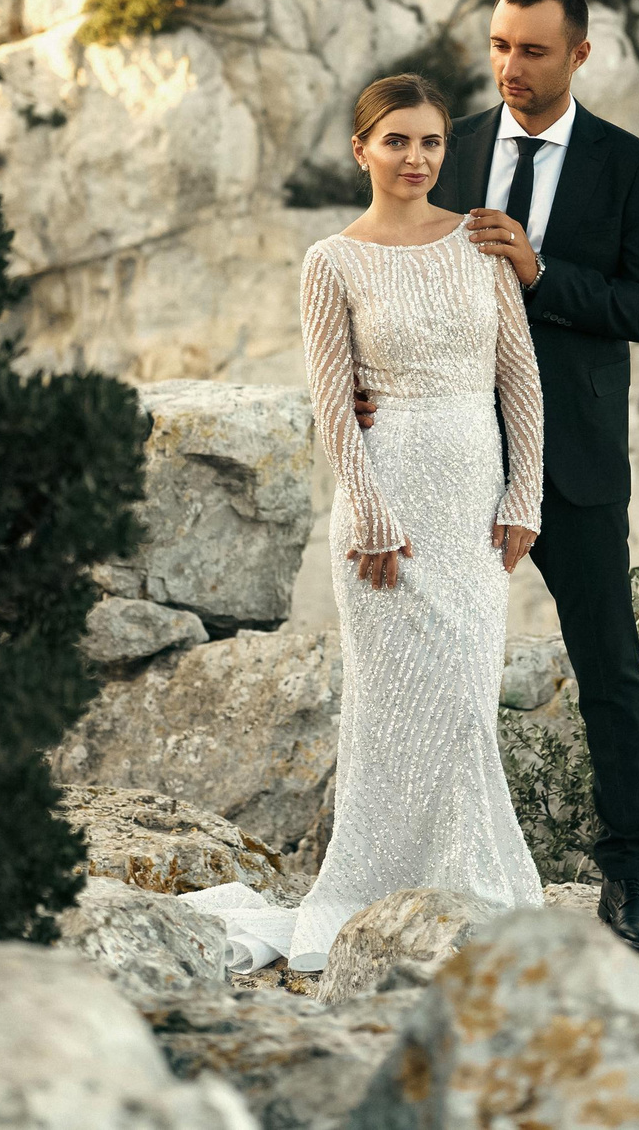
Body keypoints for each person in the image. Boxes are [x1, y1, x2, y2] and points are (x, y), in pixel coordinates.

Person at [204, 72, 550, 973]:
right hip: (385, 512)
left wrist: (525, 496)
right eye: (396, 141)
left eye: (431, 141)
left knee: (469, 704)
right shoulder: (333, 261)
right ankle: (386, 897)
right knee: (395, 713)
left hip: (475, 506)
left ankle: (469, 888)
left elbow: (520, 378)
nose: (416, 158)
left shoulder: (480, 243)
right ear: (361, 148)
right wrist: (367, 508)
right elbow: (331, 405)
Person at [378, 0, 639, 954]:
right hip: (456, 450)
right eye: (501, 46)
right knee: (434, 660)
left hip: (576, 459)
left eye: (534, 50)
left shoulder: (627, 166)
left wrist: (541, 274)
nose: (511, 66)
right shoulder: (449, 145)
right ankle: (433, 869)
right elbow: (394, 275)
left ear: (579, 56)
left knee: (609, 671)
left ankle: (629, 881)